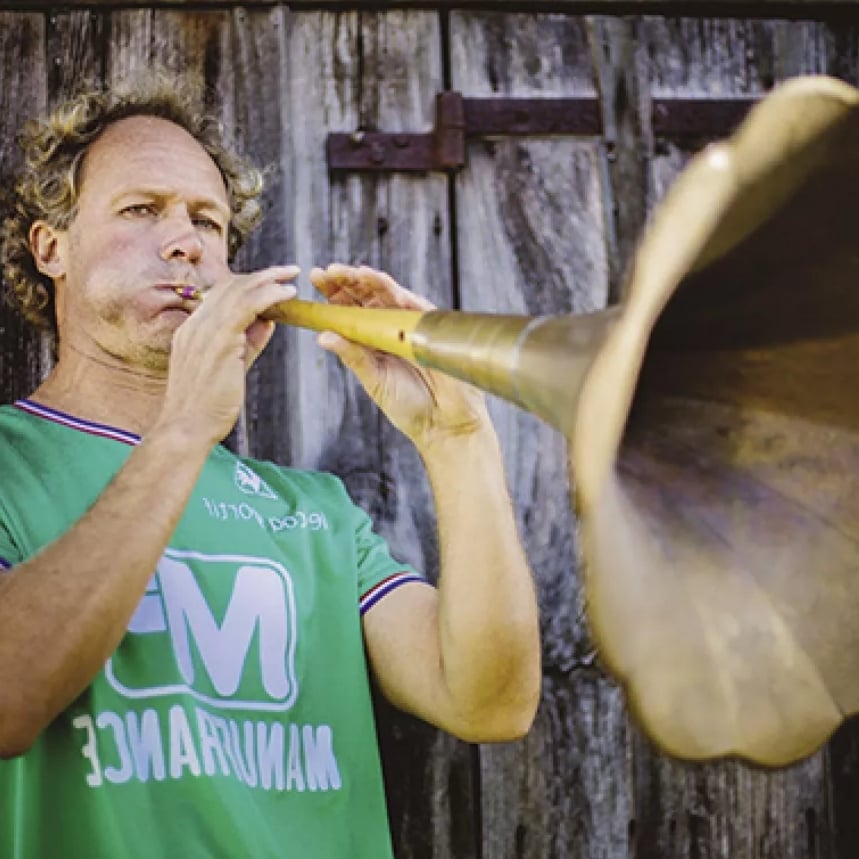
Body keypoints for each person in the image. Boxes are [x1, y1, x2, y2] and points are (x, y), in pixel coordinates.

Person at [0, 77, 540, 858]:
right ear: (50, 246)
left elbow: (490, 701)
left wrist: (457, 436)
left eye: (206, 221)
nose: (185, 241)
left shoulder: (315, 511)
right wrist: (186, 426)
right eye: (140, 209)